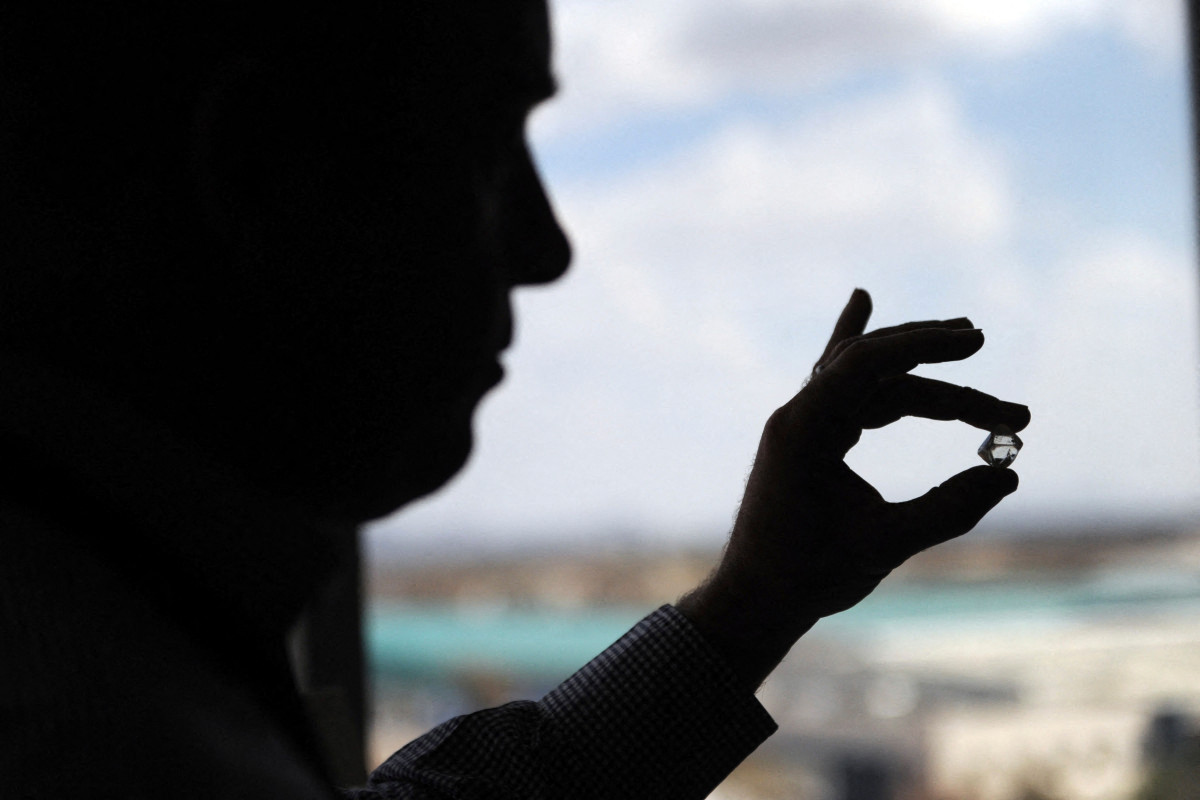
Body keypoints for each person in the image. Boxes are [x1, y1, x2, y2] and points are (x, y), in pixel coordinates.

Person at [0, 2, 1030, 798]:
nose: (547, 247)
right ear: (261, 169)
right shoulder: (90, 730)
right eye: (489, 148)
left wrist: (755, 603)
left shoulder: (109, 632)